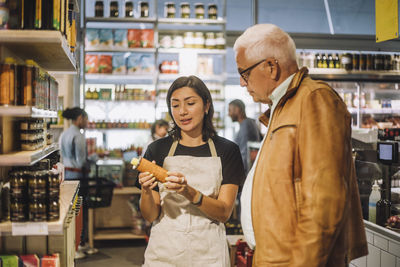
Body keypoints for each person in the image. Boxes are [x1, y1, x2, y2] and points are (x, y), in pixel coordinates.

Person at [234, 24, 368, 266]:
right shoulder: (282, 106)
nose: (243, 83)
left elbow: (323, 201)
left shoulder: (314, 99)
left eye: (244, 73)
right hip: (274, 256)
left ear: (271, 67)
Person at [137, 75, 245, 266]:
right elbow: (151, 215)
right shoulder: (157, 150)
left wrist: (189, 192)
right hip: (165, 250)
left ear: (206, 106)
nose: (182, 112)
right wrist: (145, 191)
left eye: (190, 103)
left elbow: (224, 212)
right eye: (175, 105)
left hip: (209, 252)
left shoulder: (227, 150)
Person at [59, 107, 92, 259]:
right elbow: (81, 161)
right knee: (80, 211)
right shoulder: (78, 136)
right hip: (78, 177)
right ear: (80, 118)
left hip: (67, 176)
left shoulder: (64, 134)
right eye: (86, 118)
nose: (87, 122)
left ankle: (75, 245)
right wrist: (93, 160)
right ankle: (79, 244)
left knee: (71, 211)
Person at [228, 99, 261, 174]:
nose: (228, 114)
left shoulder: (246, 124)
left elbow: (245, 153)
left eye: (230, 110)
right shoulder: (247, 123)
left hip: (245, 173)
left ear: (237, 109)